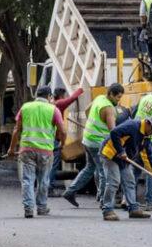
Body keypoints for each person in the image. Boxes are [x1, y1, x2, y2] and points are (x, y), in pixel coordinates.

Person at [62, 83, 124, 207]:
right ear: (111, 94)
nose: (119, 100)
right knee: (104, 171)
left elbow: (86, 110)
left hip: (88, 140)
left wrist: (94, 122)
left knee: (89, 168)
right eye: (117, 97)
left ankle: (70, 191)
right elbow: (113, 131)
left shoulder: (99, 98)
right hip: (98, 143)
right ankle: (104, 201)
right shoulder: (109, 108)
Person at [7, 86, 66, 218]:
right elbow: (63, 131)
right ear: (49, 96)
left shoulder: (25, 107)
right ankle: (42, 207)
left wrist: (11, 149)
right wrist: (62, 144)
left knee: (27, 180)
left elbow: (16, 130)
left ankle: (28, 208)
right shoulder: (53, 109)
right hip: (46, 151)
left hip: (26, 150)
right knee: (43, 180)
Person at [99, 114, 152, 221]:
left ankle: (133, 209)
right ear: (148, 123)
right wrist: (121, 151)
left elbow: (148, 156)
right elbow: (114, 133)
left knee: (130, 181)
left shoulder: (146, 137)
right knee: (114, 182)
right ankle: (107, 210)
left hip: (123, 159)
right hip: (110, 154)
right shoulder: (133, 126)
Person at [49, 87, 84, 190]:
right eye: (65, 95)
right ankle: (49, 186)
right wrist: (81, 89)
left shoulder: (52, 104)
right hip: (55, 139)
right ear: (61, 95)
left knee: (49, 164)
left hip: (49, 137)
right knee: (53, 164)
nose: (65, 97)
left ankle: (47, 185)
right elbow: (72, 98)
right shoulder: (59, 104)